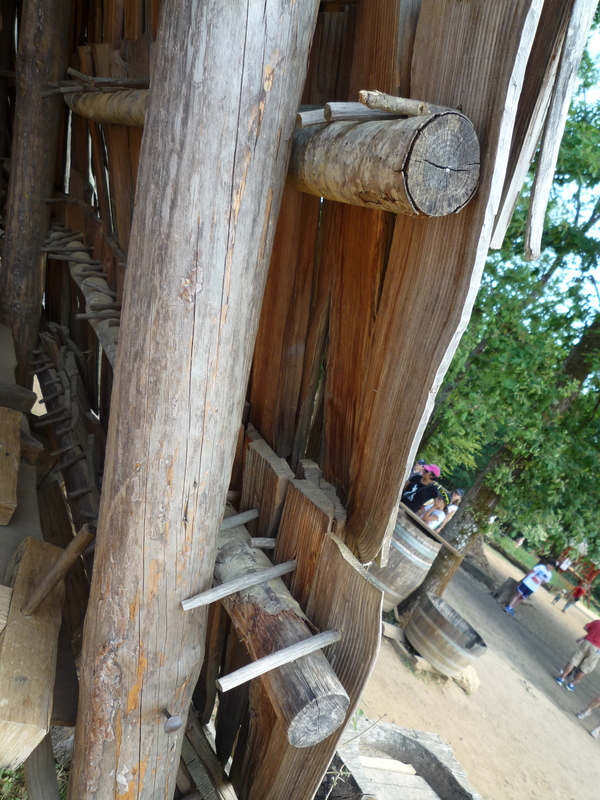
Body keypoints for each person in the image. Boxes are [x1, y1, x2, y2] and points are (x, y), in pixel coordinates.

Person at [556, 619, 600, 691]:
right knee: (585, 668)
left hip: (586, 642)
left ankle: (561, 678)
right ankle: (571, 684)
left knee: (573, 661)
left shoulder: (597, 622)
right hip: (597, 649)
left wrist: (591, 634)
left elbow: (585, 627)